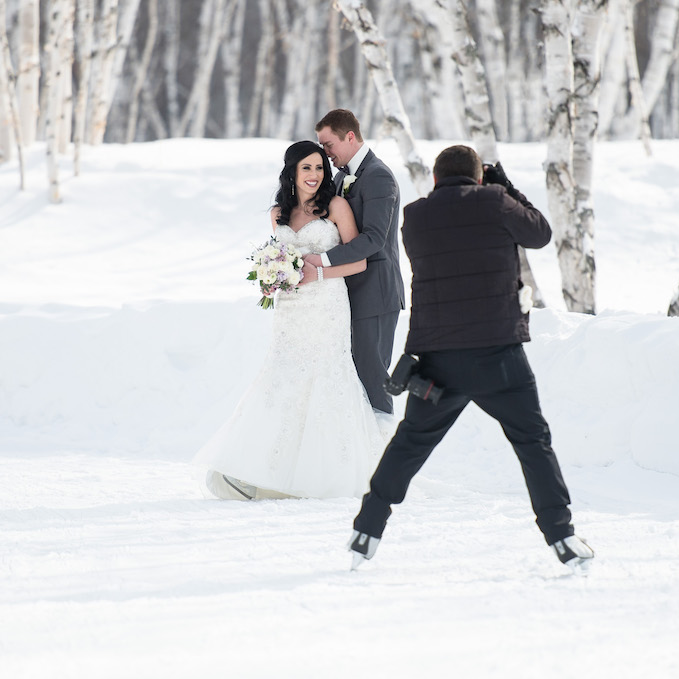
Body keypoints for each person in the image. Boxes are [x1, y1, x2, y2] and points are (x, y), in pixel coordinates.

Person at [346, 145, 594, 570]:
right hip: (498, 355)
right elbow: (539, 233)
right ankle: (563, 540)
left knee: (410, 444)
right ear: (480, 178)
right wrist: (504, 185)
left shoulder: (416, 217)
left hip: (439, 362)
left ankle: (366, 530)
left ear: (437, 179)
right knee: (532, 443)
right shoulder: (496, 202)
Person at [195, 141, 384, 500]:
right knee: (282, 375)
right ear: (292, 173)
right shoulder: (278, 213)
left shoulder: (336, 206)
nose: (314, 175)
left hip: (326, 303)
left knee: (326, 374)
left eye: (319, 168)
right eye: (306, 168)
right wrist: (271, 279)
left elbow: (358, 261)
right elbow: (277, 257)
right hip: (290, 308)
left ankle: (328, 473)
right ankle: (265, 469)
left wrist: (320, 275)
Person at [303, 109, 404, 417]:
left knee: (373, 379)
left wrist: (320, 261)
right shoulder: (341, 176)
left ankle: (383, 453)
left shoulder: (379, 176)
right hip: (346, 294)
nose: (325, 152)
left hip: (375, 293)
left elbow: (372, 239)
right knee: (350, 378)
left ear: (350, 137)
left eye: (329, 144)